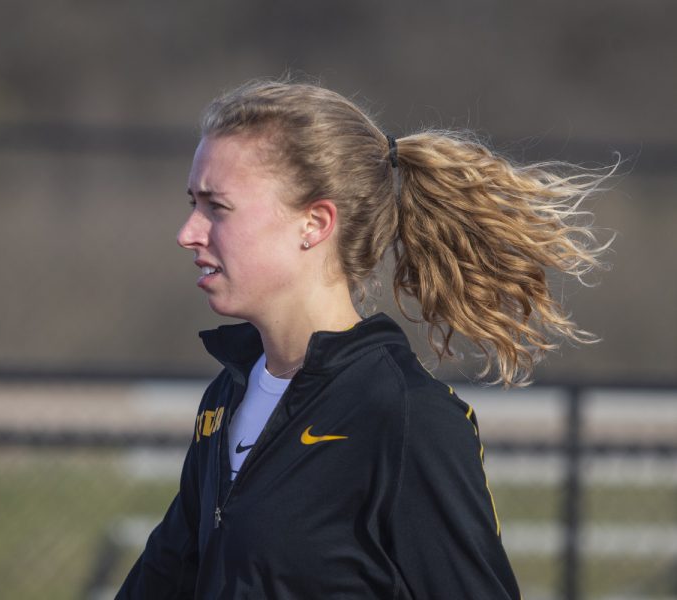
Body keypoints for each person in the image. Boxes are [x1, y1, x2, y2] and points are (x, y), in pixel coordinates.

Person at [117, 78, 612, 599]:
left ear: (314, 222)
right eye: (193, 202)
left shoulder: (403, 416)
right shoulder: (228, 394)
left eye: (217, 207)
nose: (188, 232)